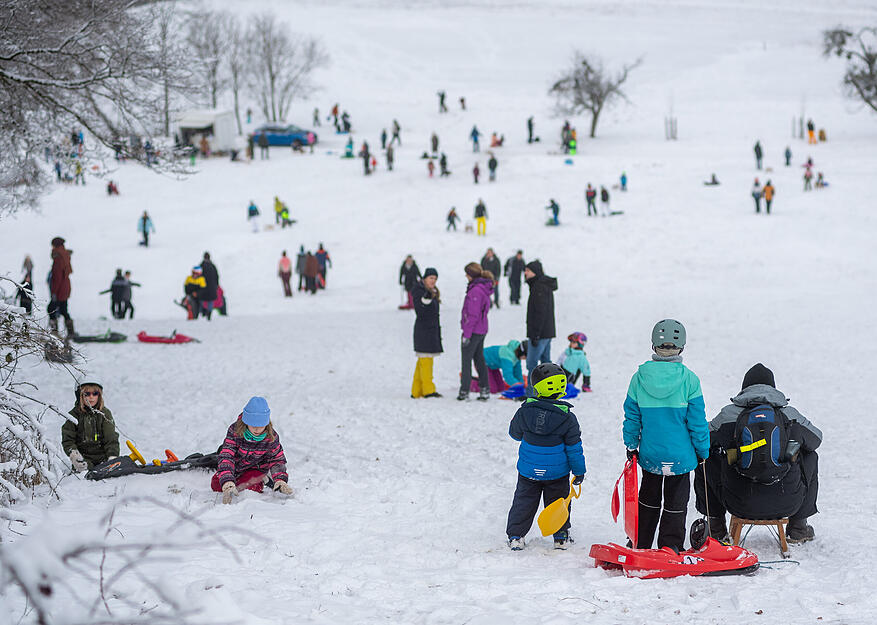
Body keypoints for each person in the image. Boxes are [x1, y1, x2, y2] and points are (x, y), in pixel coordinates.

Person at [693, 363, 822, 544]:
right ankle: (798, 527)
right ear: (773, 388)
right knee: (810, 456)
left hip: (738, 501)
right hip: (788, 501)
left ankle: (716, 528)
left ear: (744, 388)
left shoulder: (728, 415)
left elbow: (702, 442)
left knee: (707, 458)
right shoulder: (789, 414)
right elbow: (817, 439)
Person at [622, 319, 708, 553]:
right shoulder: (690, 380)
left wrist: (631, 444)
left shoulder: (639, 378)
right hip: (681, 456)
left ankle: (641, 542)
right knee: (676, 503)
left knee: (648, 499)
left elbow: (632, 417)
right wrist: (703, 450)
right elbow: (697, 422)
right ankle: (670, 546)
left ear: (654, 346)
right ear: (681, 347)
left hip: (651, 454)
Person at [506, 363, 586, 551]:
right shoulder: (568, 418)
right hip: (557, 473)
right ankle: (560, 536)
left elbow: (514, 434)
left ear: (536, 386)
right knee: (558, 502)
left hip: (528, 471)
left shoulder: (524, 410)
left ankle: (516, 536)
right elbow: (574, 448)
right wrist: (579, 471)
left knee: (523, 502)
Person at [212, 397, 292, 504]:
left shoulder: (271, 437)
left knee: (250, 486)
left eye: (261, 425)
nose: (257, 429)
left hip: (256, 469)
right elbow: (227, 456)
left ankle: (263, 479)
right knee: (216, 484)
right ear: (246, 422)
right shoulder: (235, 431)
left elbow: (277, 459)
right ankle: (233, 482)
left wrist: (280, 479)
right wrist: (227, 482)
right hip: (237, 468)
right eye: (253, 425)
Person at [62, 381, 120, 472]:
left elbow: (111, 437)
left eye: (95, 393)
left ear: (99, 395)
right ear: (80, 396)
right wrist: (74, 455)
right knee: (85, 473)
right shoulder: (73, 415)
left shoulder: (104, 414)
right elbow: (68, 440)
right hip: (84, 458)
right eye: (87, 394)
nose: (91, 397)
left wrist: (112, 456)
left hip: (103, 458)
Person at [458, 262, 493, 401]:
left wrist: (466, 334)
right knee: (479, 359)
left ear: (471, 274)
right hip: (481, 329)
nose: (466, 276)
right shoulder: (482, 288)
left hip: (473, 330)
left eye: (467, 273)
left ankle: (464, 391)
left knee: (466, 360)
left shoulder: (475, 291)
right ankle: (484, 389)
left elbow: (472, 315)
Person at [524, 260, 557, 395]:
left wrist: (535, 334)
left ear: (535, 272)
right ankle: (548, 393)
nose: (525, 273)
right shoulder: (542, 285)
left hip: (540, 333)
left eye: (528, 270)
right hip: (547, 332)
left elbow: (539, 313)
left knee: (532, 364)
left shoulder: (539, 287)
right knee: (546, 364)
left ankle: (532, 395)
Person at [411, 268, 443, 399]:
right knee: (426, 361)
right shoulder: (421, 292)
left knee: (422, 361)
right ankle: (428, 390)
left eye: (435, 279)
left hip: (430, 331)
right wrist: (428, 298)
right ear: (424, 278)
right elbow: (421, 308)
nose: (433, 281)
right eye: (431, 278)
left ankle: (416, 390)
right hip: (424, 331)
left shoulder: (430, 291)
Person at [48, 236, 74, 337]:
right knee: (63, 309)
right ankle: (71, 332)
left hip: (59, 289)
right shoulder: (65, 255)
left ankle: (54, 333)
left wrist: (54, 292)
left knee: (51, 309)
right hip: (66, 287)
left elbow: (57, 278)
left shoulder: (58, 258)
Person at [200, 252, 219, 320]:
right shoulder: (212, 266)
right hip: (212, 287)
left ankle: (204, 312)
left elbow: (198, 276)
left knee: (202, 300)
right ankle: (209, 313)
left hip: (204, 287)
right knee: (210, 301)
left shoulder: (201, 266)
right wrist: (216, 285)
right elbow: (217, 276)